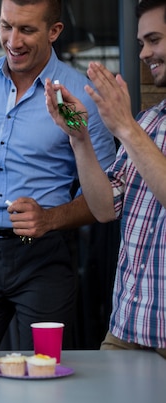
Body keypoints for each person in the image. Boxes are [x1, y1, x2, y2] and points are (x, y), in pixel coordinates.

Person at [0, 0, 117, 350]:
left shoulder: (81, 96)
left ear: (54, 31)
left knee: (43, 372)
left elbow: (108, 197)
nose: (13, 41)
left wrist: (50, 218)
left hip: (45, 258)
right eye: (6, 26)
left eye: (27, 30)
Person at [44, 0, 166, 359]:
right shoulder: (150, 122)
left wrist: (124, 127)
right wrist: (78, 137)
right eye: (141, 42)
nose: (144, 53)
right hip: (127, 327)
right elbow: (103, 209)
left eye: (154, 39)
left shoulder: (135, 127)